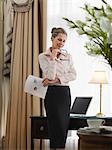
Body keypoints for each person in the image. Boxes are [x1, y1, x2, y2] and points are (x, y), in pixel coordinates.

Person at [38, 27, 76, 150]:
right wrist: (53, 58)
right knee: (55, 126)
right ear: (52, 38)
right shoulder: (43, 56)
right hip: (52, 94)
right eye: (59, 39)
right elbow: (49, 75)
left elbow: (73, 75)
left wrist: (57, 79)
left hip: (64, 93)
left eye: (64, 41)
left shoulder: (68, 56)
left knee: (63, 126)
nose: (61, 43)